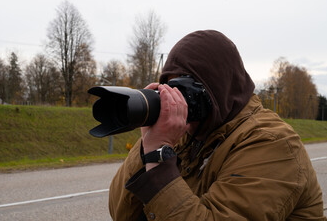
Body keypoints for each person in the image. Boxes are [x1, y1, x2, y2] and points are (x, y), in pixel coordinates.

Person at [108, 30, 326, 220]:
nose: (178, 102)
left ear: (217, 88)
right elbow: (122, 214)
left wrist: (157, 155)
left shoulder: (272, 143)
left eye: (184, 89)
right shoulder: (188, 135)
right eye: (169, 89)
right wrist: (147, 145)